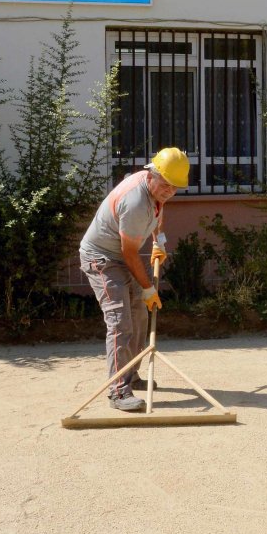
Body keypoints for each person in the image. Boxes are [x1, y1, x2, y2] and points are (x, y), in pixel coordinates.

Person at [79, 147, 189, 412]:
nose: (169, 191)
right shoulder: (136, 201)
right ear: (152, 174)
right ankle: (118, 391)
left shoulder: (154, 190)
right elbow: (129, 254)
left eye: (175, 188)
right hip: (102, 259)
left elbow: (158, 211)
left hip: (120, 255)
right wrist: (149, 288)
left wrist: (158, 240)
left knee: (139, 317)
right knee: (120, 322)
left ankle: (131, 374)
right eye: (165, 185)